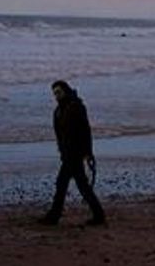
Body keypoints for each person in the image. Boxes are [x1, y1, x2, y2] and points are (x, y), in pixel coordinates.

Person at [39, 79, 106, 226]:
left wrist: (88, 152)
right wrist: (61, 150)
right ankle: (99, 215)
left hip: (75, 154)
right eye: (54, 93)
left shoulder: (76, 107)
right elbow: (59, 134)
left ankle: (54, 216)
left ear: (65, 91)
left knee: (62, 183)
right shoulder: (58, 111)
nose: (56, 95)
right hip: (67, 154)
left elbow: (85, 130)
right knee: (81, 185)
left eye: (59, 92)